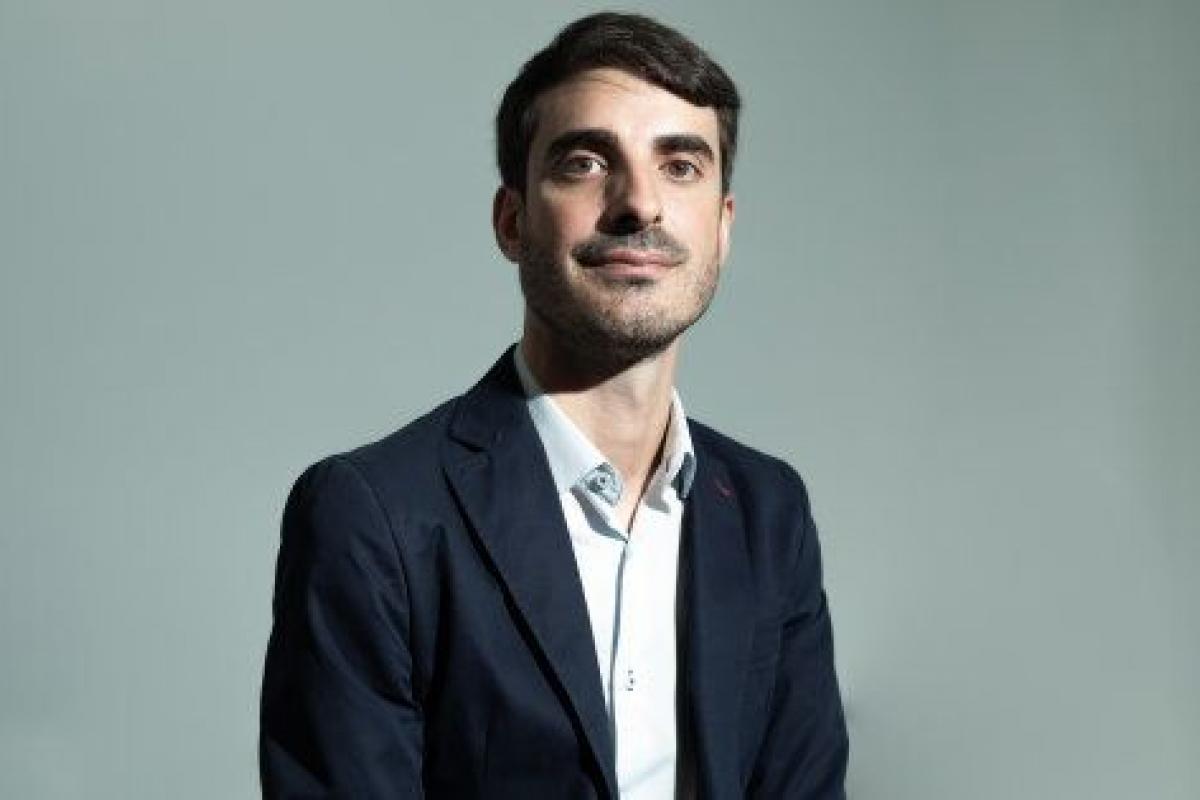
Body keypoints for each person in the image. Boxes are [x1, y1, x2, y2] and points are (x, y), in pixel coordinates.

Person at [259, 12, 848, 799]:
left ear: (722, 227)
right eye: (585, 163)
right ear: (513, 221)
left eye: (680, 166)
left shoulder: (768, 511)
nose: (640, 204)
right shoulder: (372, 516)